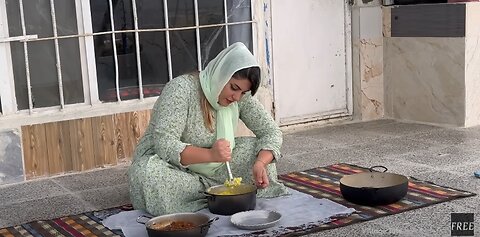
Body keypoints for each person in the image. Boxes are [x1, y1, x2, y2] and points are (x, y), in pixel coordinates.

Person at [127, 42, 289, 216]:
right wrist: (211, 155)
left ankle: (204, 193)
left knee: (257, 152)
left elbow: (270, 131)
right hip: (172, 165)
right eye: (234, 88)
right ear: (221, 74)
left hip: (217, 167)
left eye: (243, 92)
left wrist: (260, 163)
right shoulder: (181, 89)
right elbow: (164, 144)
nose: (236, 97)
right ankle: (212, 192)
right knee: (146, 173)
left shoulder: (241, 97)